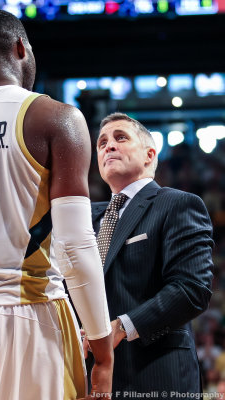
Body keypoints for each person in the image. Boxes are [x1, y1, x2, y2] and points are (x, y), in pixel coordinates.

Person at [0, 9, 113, 400]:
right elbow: (74, 245)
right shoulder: (56, 117)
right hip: (27, 312)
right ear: (21, 48)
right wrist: (102, 349)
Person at [84, 112, 214, 398]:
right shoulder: (85, 218)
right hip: (89, 376)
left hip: (154, 372)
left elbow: (192, 289)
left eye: (120, 138)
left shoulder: (177, 204)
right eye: (102, 142)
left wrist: (120, 328)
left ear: (149, 154)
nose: (109, 146)